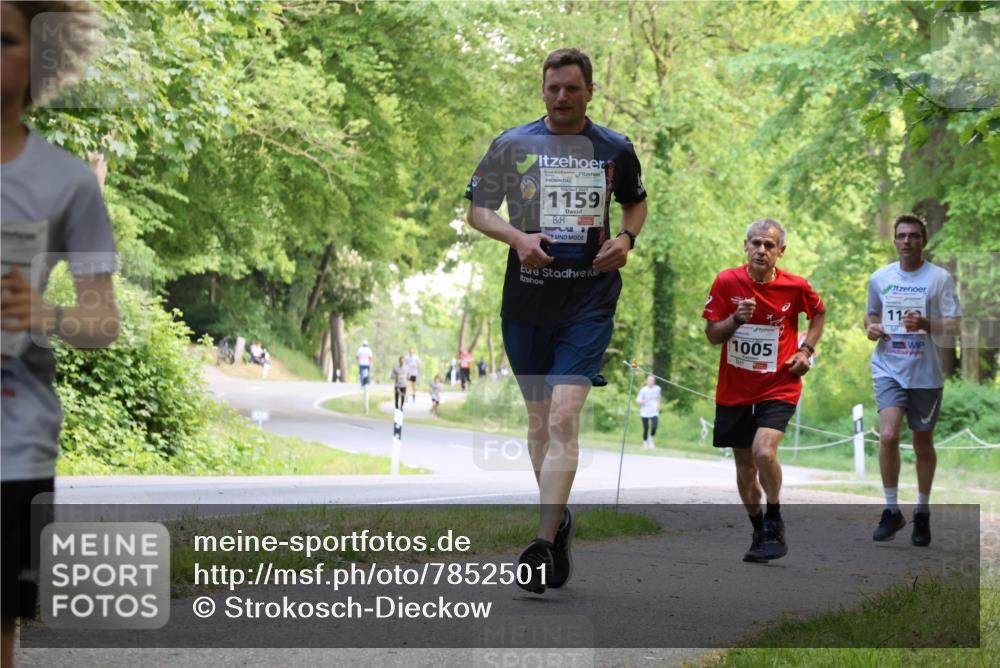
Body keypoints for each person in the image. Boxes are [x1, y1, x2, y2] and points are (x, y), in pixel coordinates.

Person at [466, 47, 647, 593]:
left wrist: (626, 238)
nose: (563, 97)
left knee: (566, 416)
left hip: (588, 301)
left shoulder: (615, 148)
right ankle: (560, 516)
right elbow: (477, 209)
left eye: (573, 88)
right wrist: (517, 238)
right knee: (540, 423)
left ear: (590, 91)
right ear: (542, 91)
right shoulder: (513, 143)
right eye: (554, 89)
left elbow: (635, 202)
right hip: (527, 301)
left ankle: (542, 543)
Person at [1, 3, 120, 665]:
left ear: (38, 60)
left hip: (12, 447)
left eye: (4, 40)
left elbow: (104, 322)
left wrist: (43, 316)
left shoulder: (67, 183)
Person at [702, 219, 825, 563]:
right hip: (735, 388)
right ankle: (758, 530)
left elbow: (819, 314)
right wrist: (736, 320)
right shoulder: (727, 281)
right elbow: (713, 335)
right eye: (756, 243)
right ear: (745, 246)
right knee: (744, 468)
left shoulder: (795, 286)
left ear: (780, 252)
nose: (761, 250)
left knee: (763, 451)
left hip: (779, 384)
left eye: (769, 245)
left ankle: (774, 516)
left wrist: (806, 351)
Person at [865, 214, 961, 547]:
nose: (907, 241)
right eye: (902, 236)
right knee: (888, 434)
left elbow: (955, 326)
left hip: (925, 373)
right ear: (894, 240)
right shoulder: (880, 278)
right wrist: (872, 327)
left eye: (914, 236)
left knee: (922, 442)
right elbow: (871, 314)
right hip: (889, 367)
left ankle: (921, 511)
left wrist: (925, 324)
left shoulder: (940, 279)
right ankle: (891, 510)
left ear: (924, 241)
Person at [636, 374, 661, 449]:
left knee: (654, 426)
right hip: (644, 412)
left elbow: (658, 397)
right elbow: (638, 401)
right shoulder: (643, 390)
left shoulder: (657, 388)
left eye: (652, 380)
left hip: (654, 411)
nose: (651, 381)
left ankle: (651, 439)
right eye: (649, 380)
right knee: (646, 428)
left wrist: (658, 405)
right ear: (647, 381)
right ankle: (645, 443)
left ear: (654, 381)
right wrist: (644, 401)